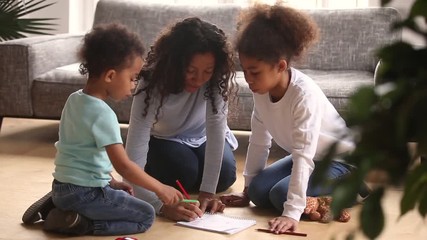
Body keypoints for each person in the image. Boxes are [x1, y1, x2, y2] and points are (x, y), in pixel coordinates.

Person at [23, 23, 184, 236]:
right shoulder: (104, 114)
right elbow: (125, 166)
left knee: (120, 200)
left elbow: (81, 153)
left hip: (62, 185)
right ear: (110, 76)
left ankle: (57, 205)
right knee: (146, 215)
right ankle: (81, 222)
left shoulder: (74, 100)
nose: (133, 85)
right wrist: (161, 188)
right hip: (85, 193)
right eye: (132, 78)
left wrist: (112, 182)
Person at [219, 4, 360, 234]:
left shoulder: (303, 96)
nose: (248, 79)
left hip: (340, 161)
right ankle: (304, 194)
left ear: (281, 66)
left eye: (254, 72)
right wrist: (247, 190)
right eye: (244, 70)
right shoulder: (262, 92)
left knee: (280, 196)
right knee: (257, 192)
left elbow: (304, 155)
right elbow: (259, 141)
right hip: (307, 157)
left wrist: (291, 213)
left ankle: (351, 189)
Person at [125, 17, 238, 221]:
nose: (199, 79)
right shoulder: (151, 82)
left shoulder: (216, 82)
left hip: (201, 137)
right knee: (184, 172)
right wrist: (160, 205)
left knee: (225, 175)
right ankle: (162, 172)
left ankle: (180, 176)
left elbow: (216, 132)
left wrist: (207, 193)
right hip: (164, 139)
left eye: (207, 71)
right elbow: (132, 155)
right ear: (175, 64)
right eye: (191, 71)